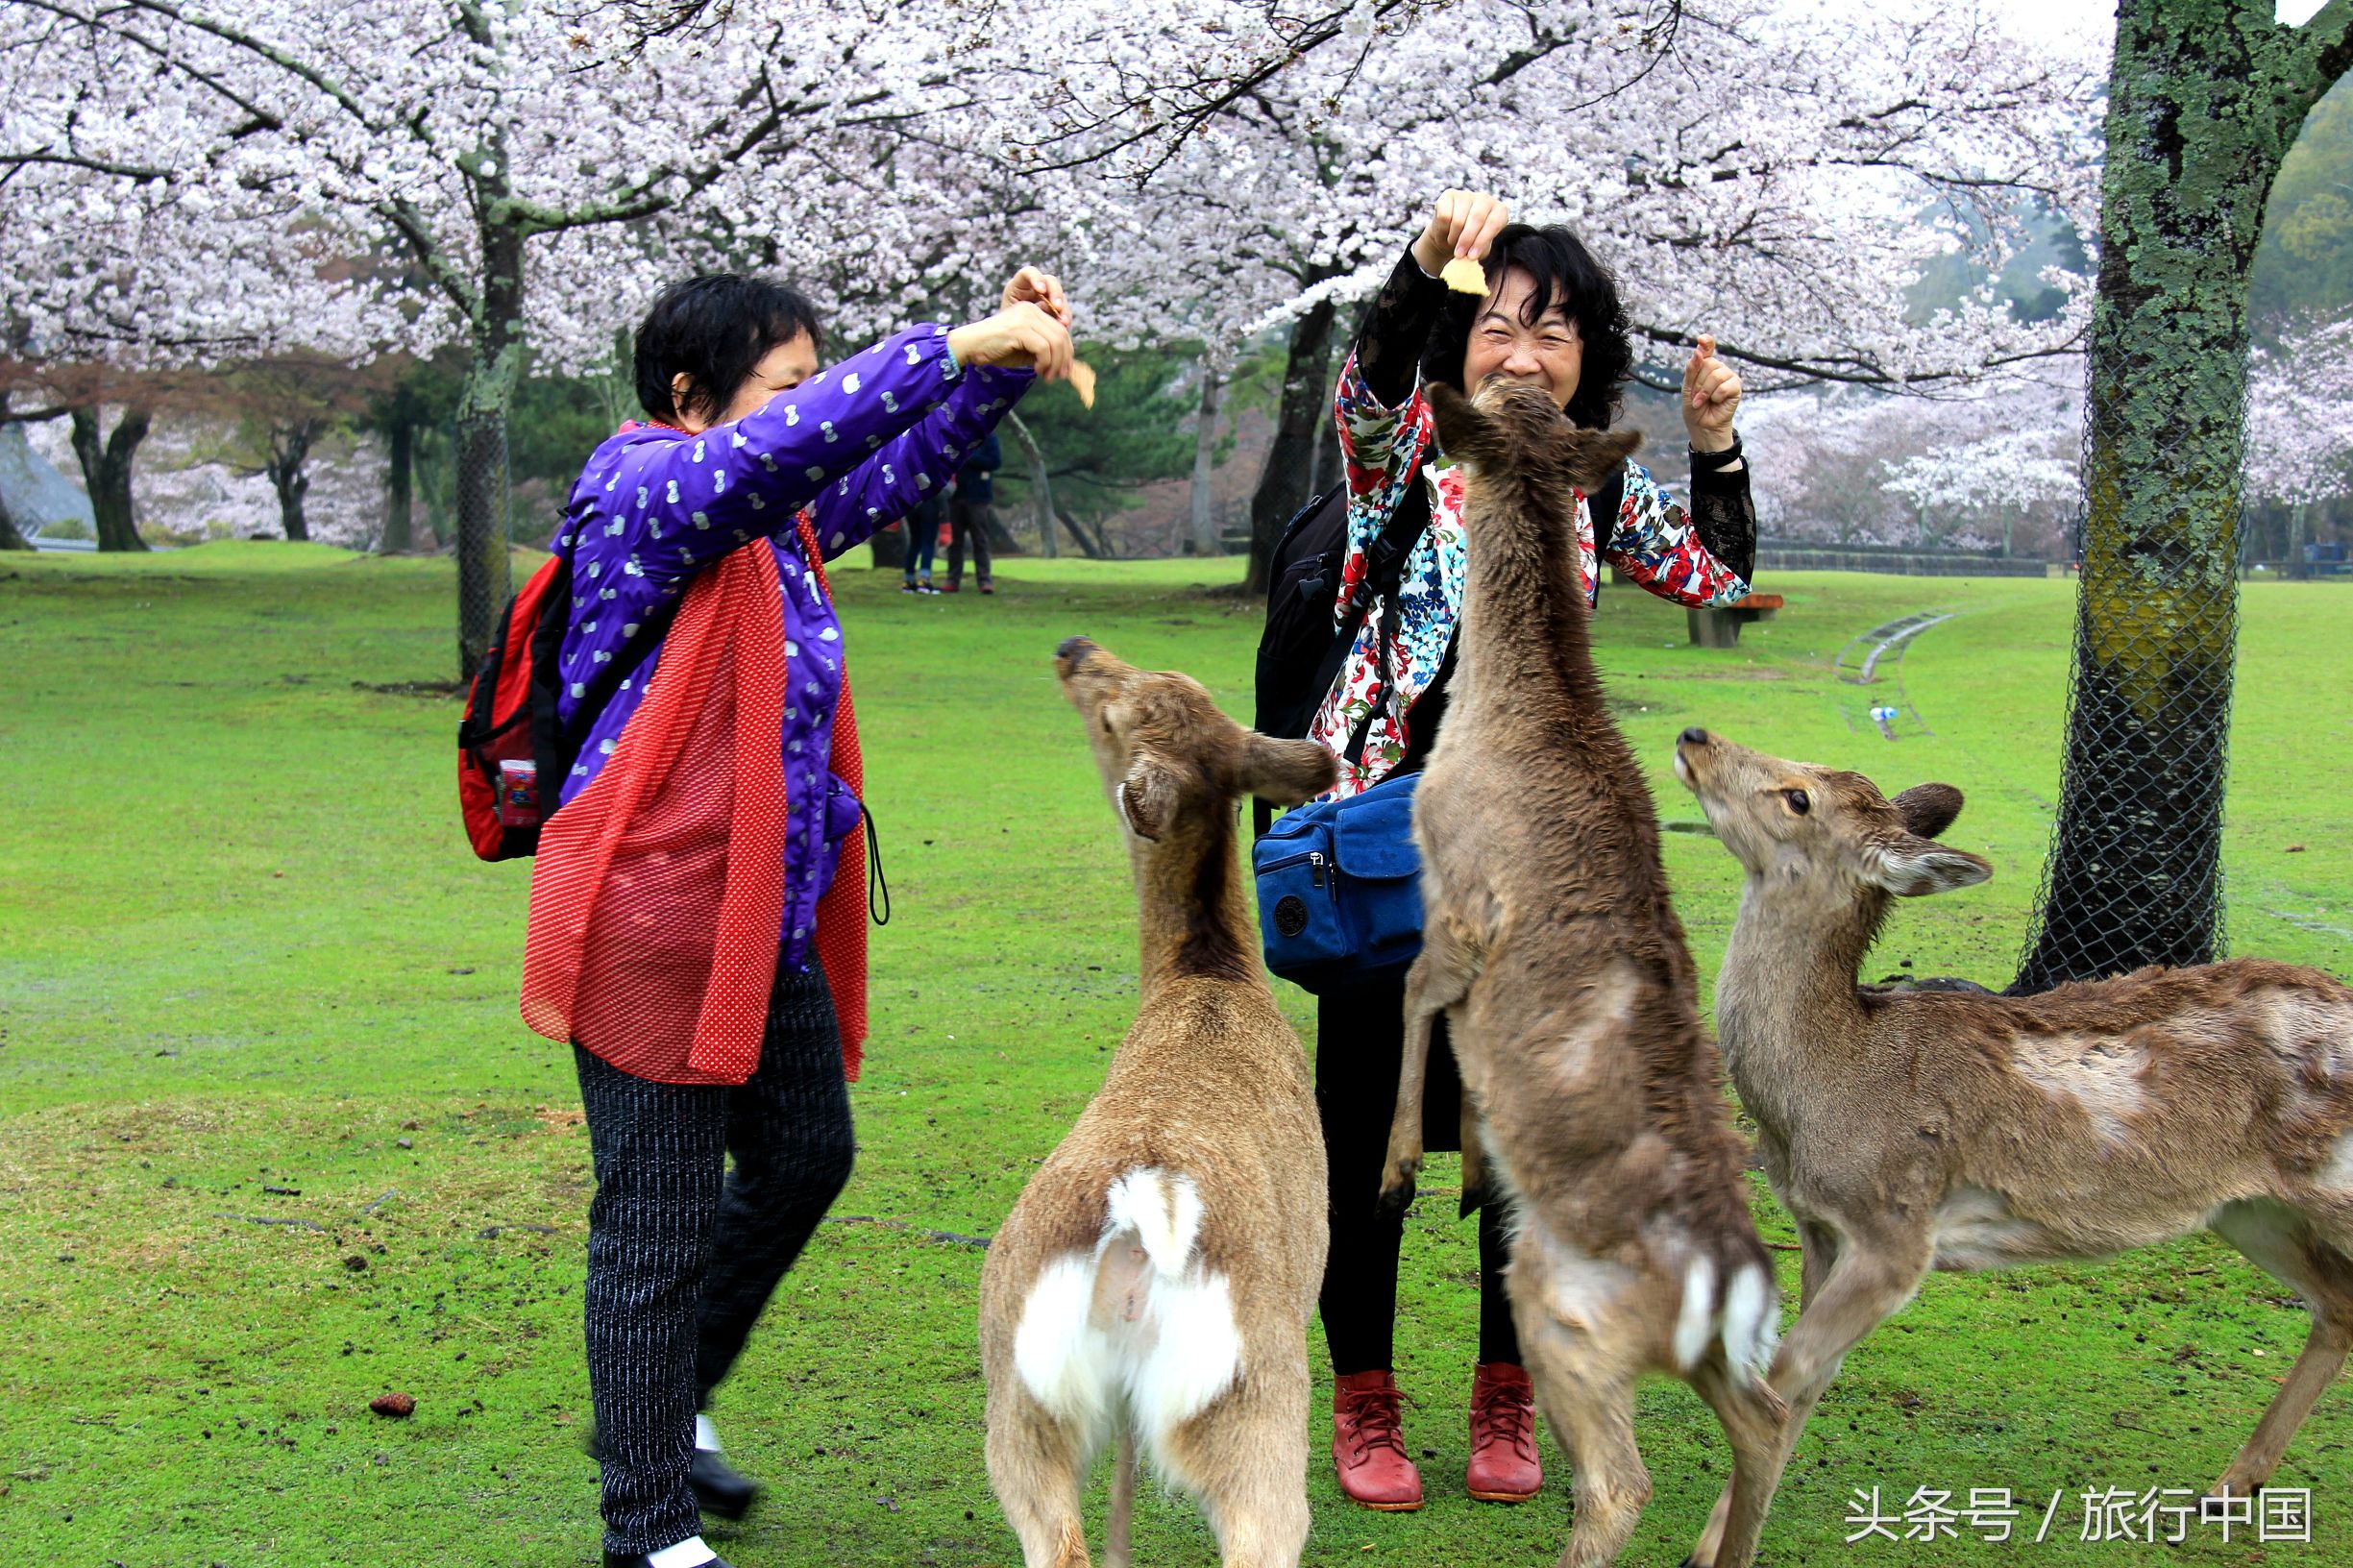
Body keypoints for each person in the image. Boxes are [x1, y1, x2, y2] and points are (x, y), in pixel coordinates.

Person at [519, 267, 1074, 1568]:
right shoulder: (645, 485)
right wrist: (945, 341)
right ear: (686, 393)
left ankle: (666, 1404)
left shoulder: (770, 516)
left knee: (805, 1152)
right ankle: (644, 1528)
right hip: (653, 914)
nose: (811, 407)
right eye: (788, 383)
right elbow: (785, 449)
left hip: (759, 911)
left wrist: (995, 371)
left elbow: (877, 456)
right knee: (651, 1222)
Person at [1264, 189, 1756, 1513]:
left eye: (1554, 331)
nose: (1523, 353)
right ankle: (1362, 1404)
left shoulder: (1594, 482)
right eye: (1499, 328)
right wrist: (1421, 276)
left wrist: (1715, 444)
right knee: (1368, 1129)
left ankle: (1506, 1396)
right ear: (1463, 345)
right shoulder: (1414, 446)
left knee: (1517, 1137)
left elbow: (1719, 582)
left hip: (1536, 863)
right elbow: (1364, 394)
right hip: (1387, 844)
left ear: (1590, 355)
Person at [944, 429, 1001, 593]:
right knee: (954, 541)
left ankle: (984, 580)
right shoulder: (956, 435)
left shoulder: (988, 437)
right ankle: (952, 579)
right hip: (955, 495)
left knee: (980, 539)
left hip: (979, 497)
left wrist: (968, 457)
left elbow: (995, 462)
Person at [900, 488, 944, 593]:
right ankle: (924, 580)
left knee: (915, 542)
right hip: (929, 504)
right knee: (928, 542)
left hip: (912, 504)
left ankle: (908, 580)